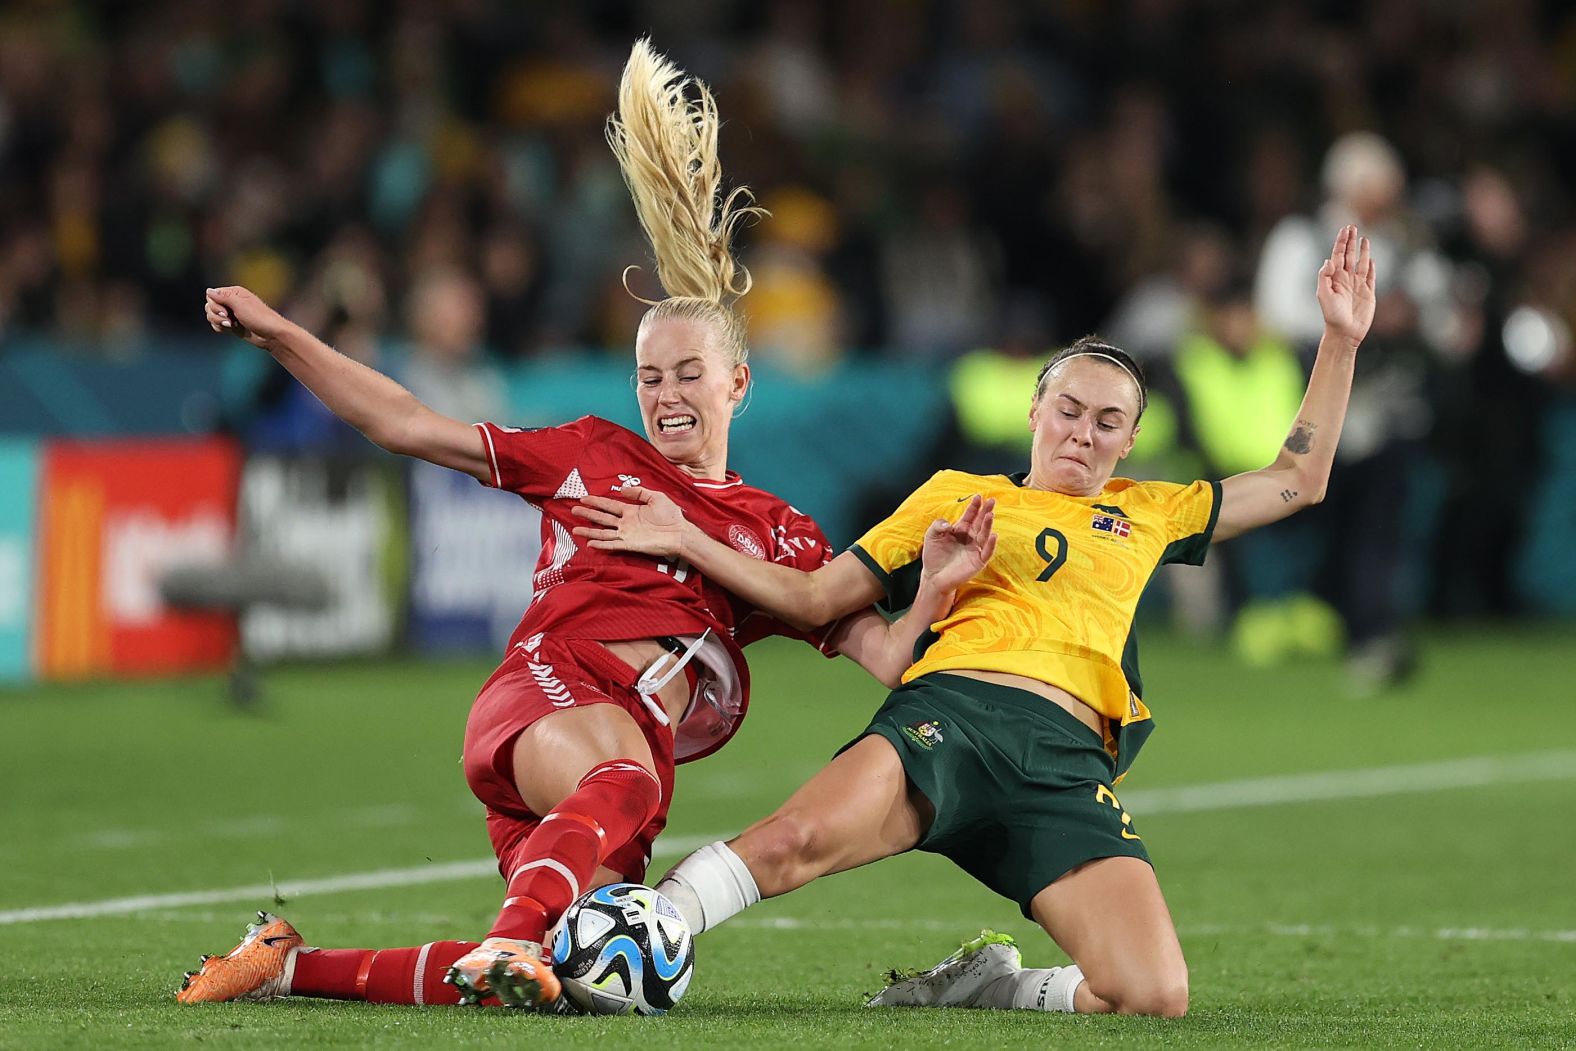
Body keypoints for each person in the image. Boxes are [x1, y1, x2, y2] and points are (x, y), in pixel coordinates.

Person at [175, 39, 987, 1013]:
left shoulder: (778, 536)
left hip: (610, 777)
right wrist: (284, 334)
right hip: (552, 702)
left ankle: (286, 962)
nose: (667, 395)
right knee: (612, 796)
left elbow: (887, 654)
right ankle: (510, 941)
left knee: (586, 977)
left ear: (738, 381)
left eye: (689, 374)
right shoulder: (594, 452)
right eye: (651, 376)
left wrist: (936, 588)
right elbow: (405, 422)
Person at [571, 226, 1376, 1017]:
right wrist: (687, 536)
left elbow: (1298, 478)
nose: (1082, 433)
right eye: (1069, 408)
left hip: (1063, 767)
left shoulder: (1153, 511)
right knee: (790, 843)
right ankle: (632, 929)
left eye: (1106, 421)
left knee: (1152, 993)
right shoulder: (955, 491)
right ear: (1035, 408)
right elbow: (817, 597)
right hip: (951, 721)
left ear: (1131, 439)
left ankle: (990, 986)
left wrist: (1340, 339)